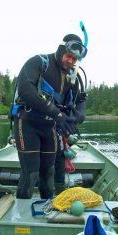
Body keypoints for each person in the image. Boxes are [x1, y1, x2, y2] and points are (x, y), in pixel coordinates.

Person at [13, 33, 87, 199]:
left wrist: (77, 118)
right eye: (69, 56)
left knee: (48, 173)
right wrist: (57, 114)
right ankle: (22, 219)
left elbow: (80, 102)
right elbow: (26, 90)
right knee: (31, 174)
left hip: (50, 127)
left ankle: (47, 209)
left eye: (75, 59)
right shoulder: (39, 62)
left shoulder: (74, 77)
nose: (71, 61)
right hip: (27, 123)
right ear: (61, 50)